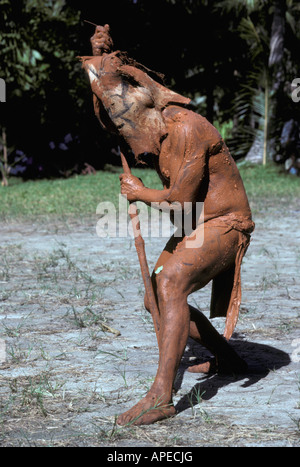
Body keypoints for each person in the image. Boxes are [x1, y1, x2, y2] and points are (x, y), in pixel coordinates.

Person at [81, 25, 255, 426]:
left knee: (171, 282)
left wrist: (141, 193)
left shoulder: (187, 128)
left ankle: (161, 395)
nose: (125, 134)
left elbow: (179, 200)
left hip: (227, 223)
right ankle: (228, 359)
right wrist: (100, 56)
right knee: (155, 298)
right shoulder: (156, 129)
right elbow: (106, 101)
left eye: (127, 124)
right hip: (197, 221)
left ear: (147, 108)